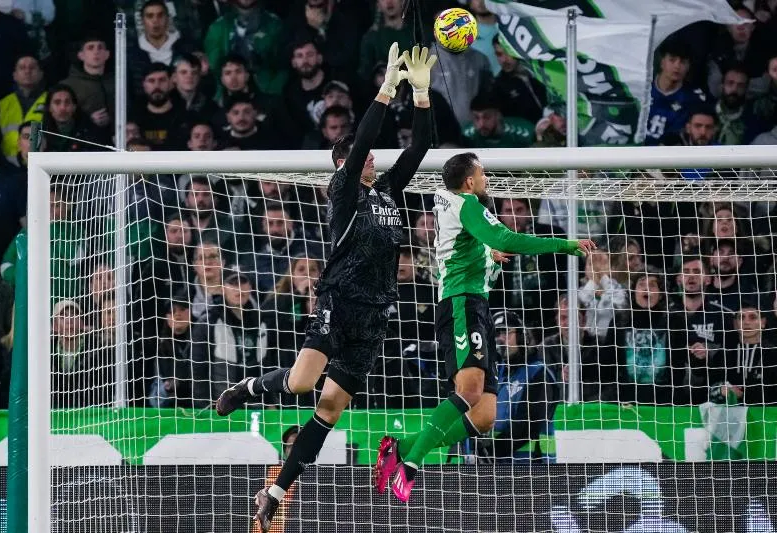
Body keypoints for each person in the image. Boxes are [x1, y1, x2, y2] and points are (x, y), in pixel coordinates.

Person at [214, 43, 436, 531]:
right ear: (344, 164)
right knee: (299, 383)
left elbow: (420, 148)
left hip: (375, 314)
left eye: (374, 158)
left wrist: (420, 94)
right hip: (339, 300)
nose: (373, 161)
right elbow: (359, 146)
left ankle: (276, 491)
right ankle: (247, 386)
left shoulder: (388, 194)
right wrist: (385, 89)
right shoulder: (342, 191)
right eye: (364, 157)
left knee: (330, 408)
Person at [376, 151, 595, 503]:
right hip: (461, 304)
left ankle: (398, 447)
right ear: (469, 181)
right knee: (469, 390)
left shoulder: (459, 208)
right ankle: (412, 464)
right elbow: (508, 239)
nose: (487, 177)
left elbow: (479, 244)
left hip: (475, 305)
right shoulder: (466, 204)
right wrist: (565, 244)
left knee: (483, 417)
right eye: (482, 172)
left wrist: (485, 255)